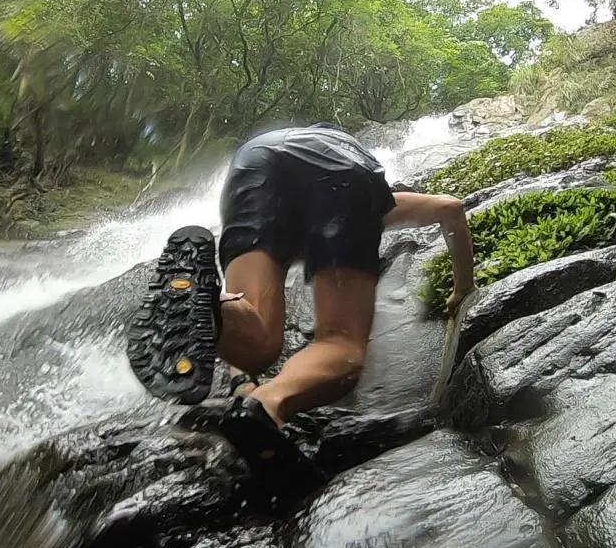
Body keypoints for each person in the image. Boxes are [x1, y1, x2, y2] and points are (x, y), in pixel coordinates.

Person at [126, 123, 475, 439]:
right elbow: (451, 207)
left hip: (255, 161)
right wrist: (462, 288)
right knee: (342, 345)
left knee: (256, 336)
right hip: (341, 174)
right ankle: (268, 405)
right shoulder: (379, 199)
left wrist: (242, 381)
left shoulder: (292, 148)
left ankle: (210, 304)